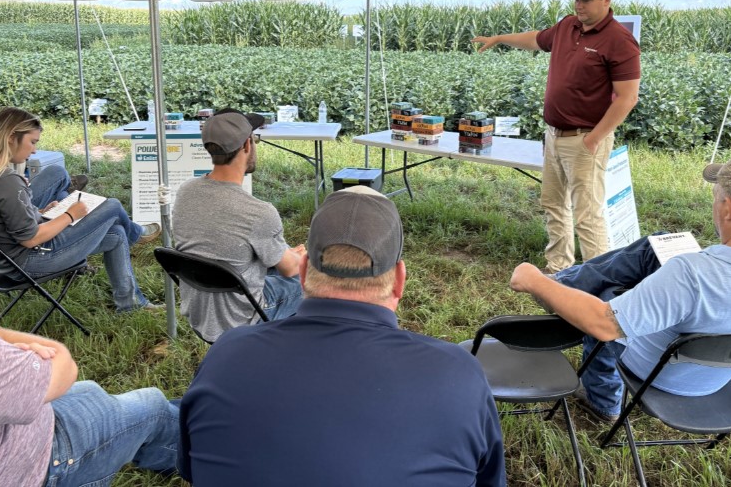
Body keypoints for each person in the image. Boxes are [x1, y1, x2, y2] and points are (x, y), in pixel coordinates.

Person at [178, 186, 505, 486]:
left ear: (303, 272)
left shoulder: (226, 354)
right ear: (399, 281)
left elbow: (190, 468)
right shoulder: (459, 374)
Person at [508, 151, 731, 422]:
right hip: (714, 377)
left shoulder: (692, 275)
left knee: (606, 297)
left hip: (657, 373)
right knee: (659, 243)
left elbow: (603, 324)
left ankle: (601, 399)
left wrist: (532, 278)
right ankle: (564, 284)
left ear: (728, 208)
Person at [472, 0, 641, 272]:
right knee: (553, 203)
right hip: (554, 135)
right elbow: (536, 39)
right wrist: (500, 38)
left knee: (587, 215)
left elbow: (627, 98)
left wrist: (594, 138)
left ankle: (597, 281)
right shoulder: (567, 26)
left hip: (586, 139)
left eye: (586, 0)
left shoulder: (619, 40)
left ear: (606, 0)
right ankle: (559, 268)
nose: (579, 5)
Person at [0, 107, 161, 313]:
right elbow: (30, 239)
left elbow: (6, 218)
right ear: (11, 137)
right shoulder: (5, 180)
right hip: (30, 262)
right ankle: (136, 234)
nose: (34, 151)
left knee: (116, 234)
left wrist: (39, 212)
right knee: (112, 206)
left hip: (4, 262)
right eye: (32, 142)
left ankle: (130, 303)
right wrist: (70, 215)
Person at [0, 318, 179, 486]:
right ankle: (192, 458)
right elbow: (64, 365)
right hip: (42, 466)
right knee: (153, 406)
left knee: (90, 391)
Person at [171, 109, 303, 341]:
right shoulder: (259, 213)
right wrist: (302, 258)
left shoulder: (185, 192)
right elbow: (291, 270)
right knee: (315, 279)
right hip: (244, 316)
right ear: (246, 145)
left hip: (199, 312)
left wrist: (285, 253)